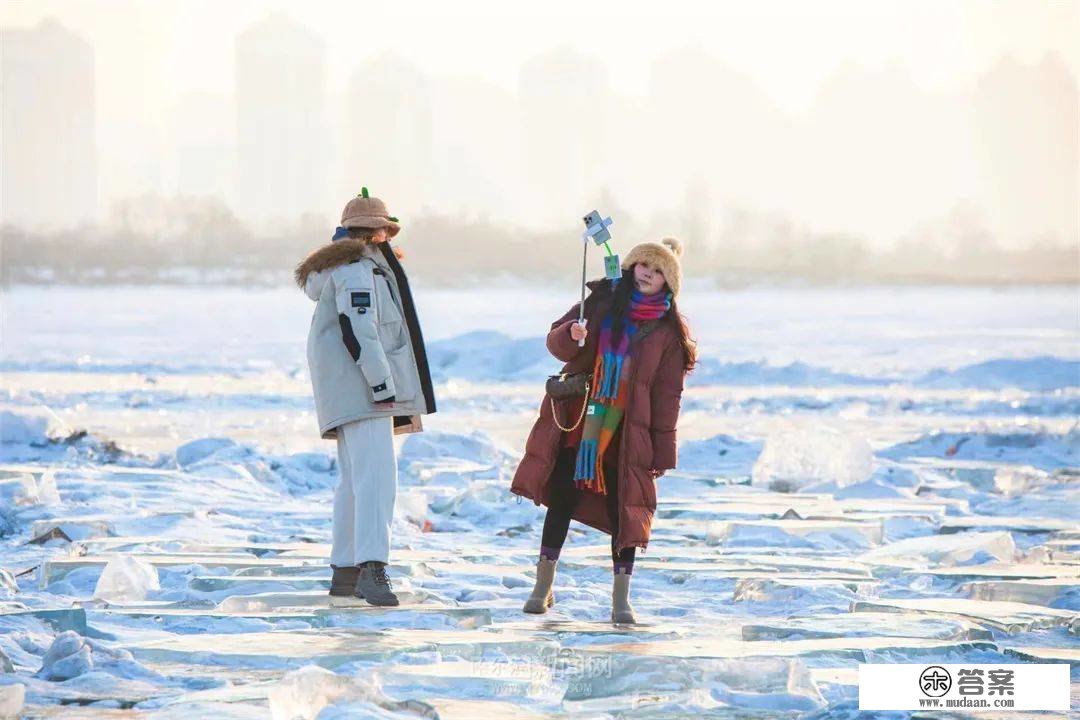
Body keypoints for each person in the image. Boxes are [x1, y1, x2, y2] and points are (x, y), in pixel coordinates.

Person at [511, 237, 696, 623]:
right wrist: (572, 335)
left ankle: (620, 600)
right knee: (561, 494)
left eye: (659, 270)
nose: (648, 272)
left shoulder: (668, 333)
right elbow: (556, 341)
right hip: (582, 419)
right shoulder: (601, 302)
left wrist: (662, 451)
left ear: (669, 283)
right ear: (630, 266)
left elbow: (668, 396)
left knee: (624, 509)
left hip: (629, 433)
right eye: (644, 264)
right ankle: (542, 587)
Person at [294, 189, 436, 606]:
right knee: (377, 483)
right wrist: (382, 386)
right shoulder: (358, 270)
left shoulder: (351, 267)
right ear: (374, 233)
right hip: (365, 392)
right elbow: (361, 330)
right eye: (385, 231)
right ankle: (373, 569)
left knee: (355, 484)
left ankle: (346, 571)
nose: (389, 238)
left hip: (350, 392)